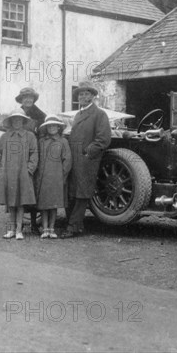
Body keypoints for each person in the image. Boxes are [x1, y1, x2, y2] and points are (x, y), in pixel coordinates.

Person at [61, 80, 111, 238]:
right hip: (73, 159)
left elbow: (103, 139)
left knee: (82, 194)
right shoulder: (78, 114)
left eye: (86, 94)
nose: (82, 96)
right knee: (71, 192)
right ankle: (77, 225)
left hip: (87, 160)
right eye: (80, 94)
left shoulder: (99, 114)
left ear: (92, 97)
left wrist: (88, 153)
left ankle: (72, 227)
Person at [0, 109, 38, 240]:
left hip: (23, 173)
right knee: (11, 203)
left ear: (23, 121)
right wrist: (0, 170)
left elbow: (34, 154)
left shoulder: (30, 136)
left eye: (19, 120)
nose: (17, 122)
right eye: (14, 120)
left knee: (20, 203)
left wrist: (29, 169)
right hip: (8, 174)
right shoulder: (5, 137)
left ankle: (19, 230)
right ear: (11, 122)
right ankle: (12, 229)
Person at [34, 115, 72, 239]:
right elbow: (37, 158)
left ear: (59, 127)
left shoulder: (63, 141)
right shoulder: (41, 141)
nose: (52, 128)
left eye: (54, 125)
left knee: (54, 204)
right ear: (46, 128)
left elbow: (67, 160)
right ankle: (45, 229)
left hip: (57, 176)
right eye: (49, 126)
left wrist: (63, 175)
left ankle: (52, 228)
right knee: (44, 204)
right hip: (43, 176)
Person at [15, 87, 46, 234]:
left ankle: (34, 223)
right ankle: (17, 223)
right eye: (25, 97)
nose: (27, 100)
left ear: (34, 100)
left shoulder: (40, 115)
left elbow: (42, 135)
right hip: (17, 154)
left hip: (33, 153)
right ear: (21, 99)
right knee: (16, 187)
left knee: (32, 187)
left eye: (30, 97)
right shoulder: (16, 113)